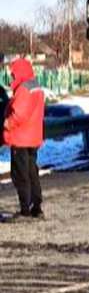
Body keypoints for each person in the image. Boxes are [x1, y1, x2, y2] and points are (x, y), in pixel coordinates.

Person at [3, 58, 45, 222]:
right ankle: (36, 207)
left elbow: (19, 113)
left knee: (20, 175)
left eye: (13, 74)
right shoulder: (36, 87)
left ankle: (24, 209)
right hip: (33, 137)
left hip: (20, 138)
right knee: (32, 172)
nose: (12, 77)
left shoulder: (23, 90)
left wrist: (8, 123)